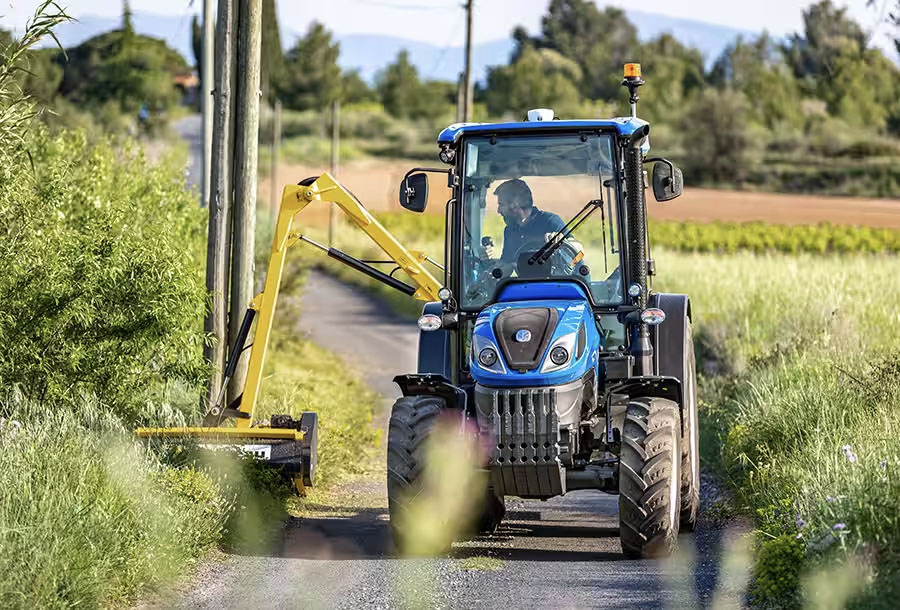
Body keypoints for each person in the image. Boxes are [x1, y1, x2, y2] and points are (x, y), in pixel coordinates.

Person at [485, 179, 565, 262]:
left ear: (515, 205)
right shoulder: (509, 231)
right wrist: (489, 261)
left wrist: (563, 240)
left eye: (501, 205)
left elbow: (578, 255)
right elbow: (506, 264)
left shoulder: (550, 221)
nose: (498, 211)